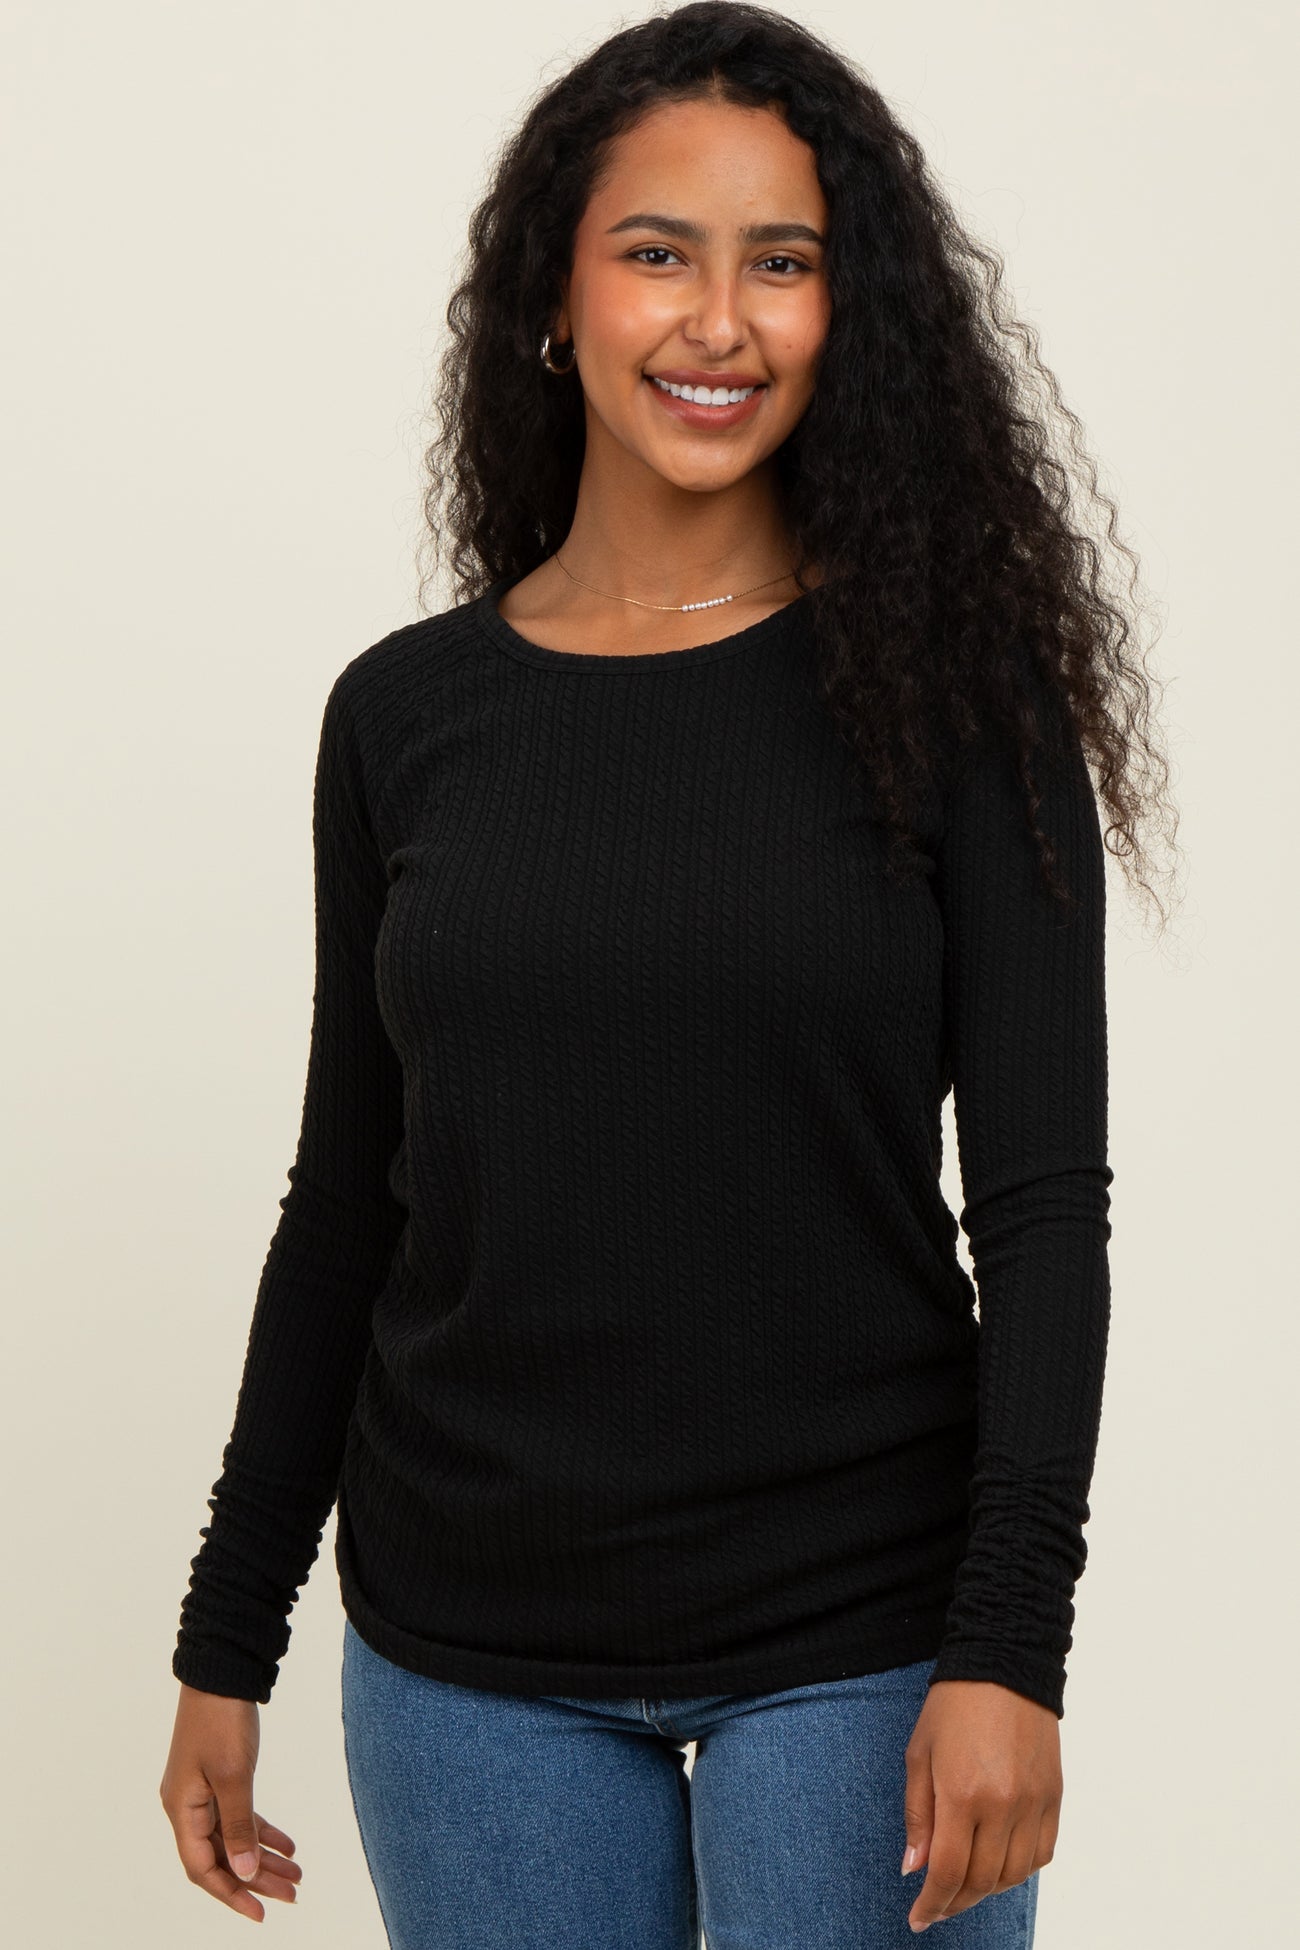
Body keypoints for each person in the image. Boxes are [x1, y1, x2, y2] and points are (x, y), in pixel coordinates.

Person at [160, 5, 1171, 1944]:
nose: (719, 320)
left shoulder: (960, 704)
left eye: (781, 262)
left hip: (862, 1637)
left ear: (849, 311)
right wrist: (228, 1634)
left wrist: (1010, 1649)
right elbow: (346, 1204)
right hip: (467, 1660)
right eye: (657, 253)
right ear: (556, 294)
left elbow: (1045, 1212)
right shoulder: (404, 718)